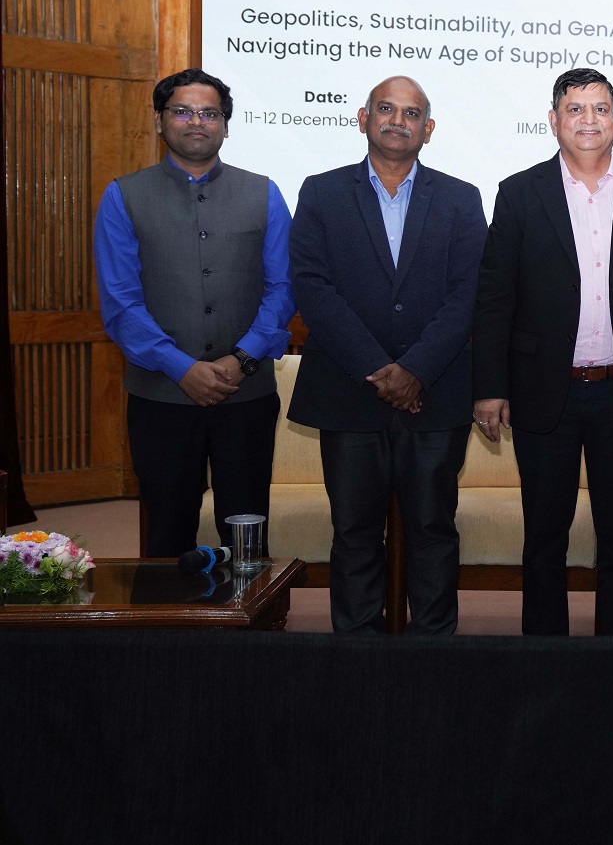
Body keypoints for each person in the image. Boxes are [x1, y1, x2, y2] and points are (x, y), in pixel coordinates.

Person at [472, 67, 613, 636]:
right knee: (544, 535)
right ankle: (545, 659)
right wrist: (490, 388)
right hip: (546, 392)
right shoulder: (519, 194)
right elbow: (496, 300)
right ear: (553, 121)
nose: (587, 120)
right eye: (575, 109)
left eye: (599, 109)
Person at [287, 76, 486, 635]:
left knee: (433, 527)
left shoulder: (461, 197)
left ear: (429, 128)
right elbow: (312, 287)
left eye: (411, 112)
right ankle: (357, 651)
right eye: (386, 109)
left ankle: (432, 648)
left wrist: (417, 369)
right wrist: (381, 371)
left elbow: (468, 293)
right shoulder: (321, 192)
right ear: (363, 118)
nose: (397, 120)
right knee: (352, 530)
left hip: (436, 391)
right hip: (349, 392)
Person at [95, 68, 294, 558]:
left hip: (245, 394)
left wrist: (241, 359)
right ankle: (169, 633)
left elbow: (284, 289)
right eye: (182, 111)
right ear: (160, 122)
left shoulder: (264, 193)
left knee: (248, 534)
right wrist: (181, 368)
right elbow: (120, 302)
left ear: (226, 125)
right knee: (167, 533)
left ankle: (252, 632)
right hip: (161, 396)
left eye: (209, 113)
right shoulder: (124, 196)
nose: (196, 122)